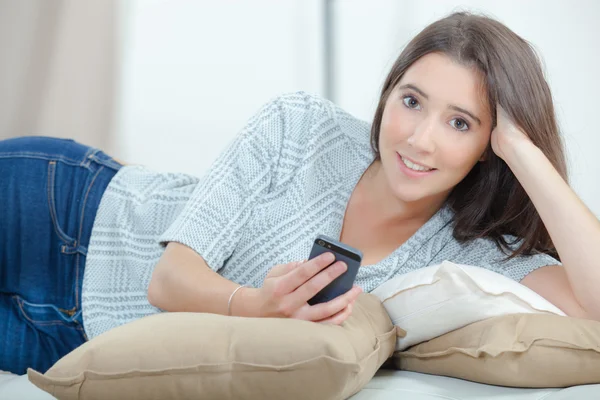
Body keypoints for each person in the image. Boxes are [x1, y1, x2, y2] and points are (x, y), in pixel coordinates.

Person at [2, 11, 599, 376]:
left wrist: (524, 151)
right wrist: (255, 306)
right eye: (411, 101)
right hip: (66, 211)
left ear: (487, 145)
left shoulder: (470, 258)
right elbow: (170, 278)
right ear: (388, 94)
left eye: (460, 123)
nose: (419, 140)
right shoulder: (303, 126)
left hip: (74, 338)